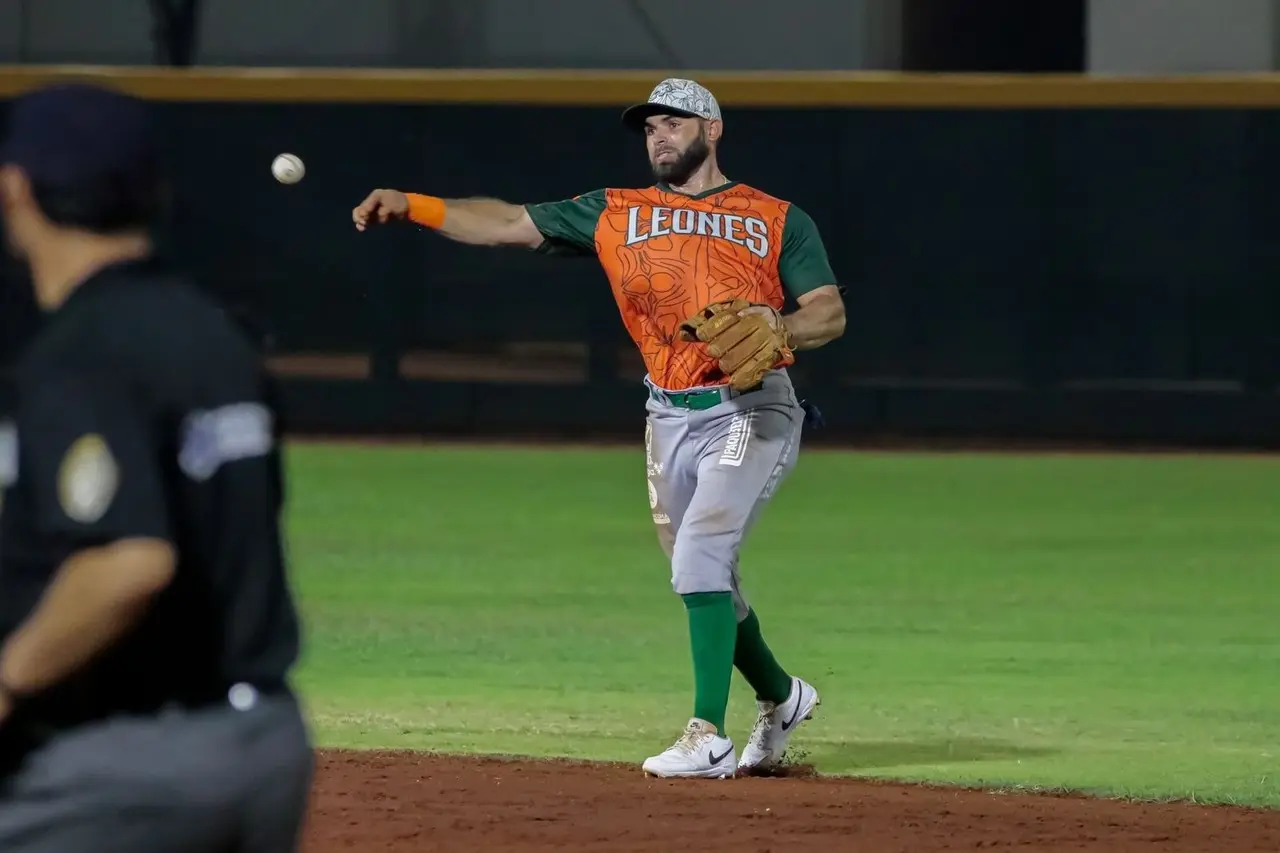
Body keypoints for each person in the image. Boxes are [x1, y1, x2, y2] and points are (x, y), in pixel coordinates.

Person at [352, 77, 846, 779]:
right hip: (667, 415)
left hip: (750, 406)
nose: (659, 136)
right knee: (703, 576)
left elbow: (828, 311)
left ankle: (708, 734)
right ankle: (781, 694)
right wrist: (416, 205)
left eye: (673, 123)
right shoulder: (615, 212)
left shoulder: (775, 217)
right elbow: (502, 222)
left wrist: (783, 327)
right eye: (649, 128)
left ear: (713, 128)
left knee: (701, 550)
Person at [0, 82, 313, 849]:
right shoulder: (217, 336)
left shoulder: (81, 353)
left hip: (124, 765)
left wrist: (7, 677)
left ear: (17, 189)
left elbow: (127, 559)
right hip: (265, 746)